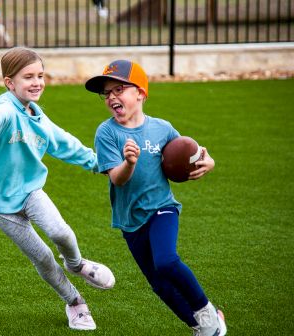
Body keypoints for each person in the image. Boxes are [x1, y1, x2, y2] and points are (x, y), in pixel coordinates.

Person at [0, 47, 115, 331]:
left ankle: (76, 264)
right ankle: (75, 302)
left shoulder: (39, 118)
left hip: (30, 191)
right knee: (41, 257)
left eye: (40, 75)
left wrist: (101, 164)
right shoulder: (5, 110)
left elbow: (66, 144)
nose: (37, 82)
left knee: (61, 232)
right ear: (9, 83)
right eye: (28, 77)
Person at [85, 60, 227, 336]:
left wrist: (208, 162)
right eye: (107, 93)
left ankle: (206, 311)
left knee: (166, 261)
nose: (112, 97)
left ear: (140, 93)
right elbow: (117, 178)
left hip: (163, 209)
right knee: (159, 284)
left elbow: (192, 152)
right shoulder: (107, 133)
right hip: (130, 220)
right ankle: (202, 328)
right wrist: (129, 162)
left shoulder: (162, 128)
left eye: (119, 89)